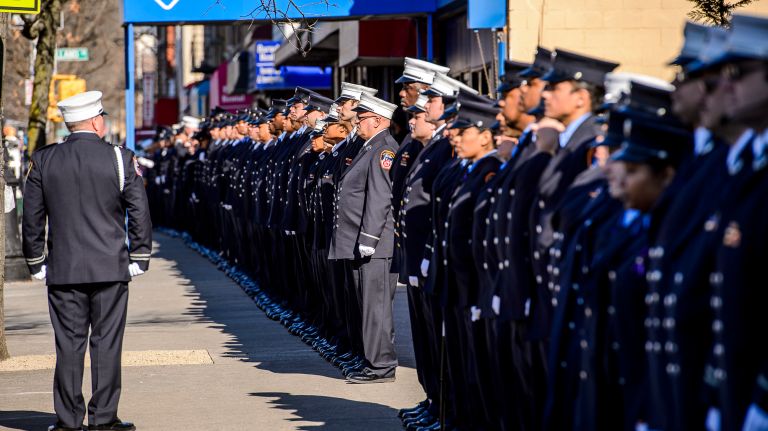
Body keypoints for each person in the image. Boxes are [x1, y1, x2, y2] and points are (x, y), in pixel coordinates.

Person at [22, 91, 152, 431]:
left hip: (63, 268)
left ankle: (68, 421)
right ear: (96, 121)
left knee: (69, 345)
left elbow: (32, 217)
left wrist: (35, 260)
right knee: (107, 343)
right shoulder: (119, 159)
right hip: (110, 266)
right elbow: (138, 210)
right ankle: (103, 419)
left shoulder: (44, 160)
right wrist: (139, 254)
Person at [328, 93, 399, 383]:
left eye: (363, 118)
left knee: (376, 309)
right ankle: (370, 359)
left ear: (379, 120)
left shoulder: (384, 148)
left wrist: (369, 237)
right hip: (358, 241)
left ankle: (382, 365)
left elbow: (380, 197)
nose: (357, 122)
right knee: (364, 306)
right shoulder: (368, 146)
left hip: (374, 243)